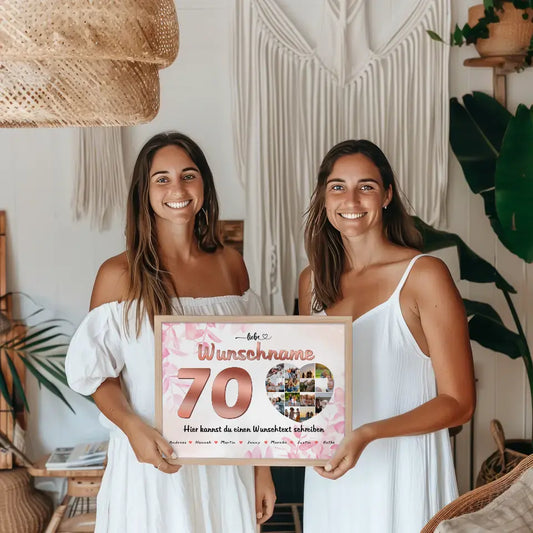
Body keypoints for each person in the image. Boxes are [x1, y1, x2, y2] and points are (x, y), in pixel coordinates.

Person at [65, 132, 276, 533]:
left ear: (204, 184)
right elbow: (98, 375)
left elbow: (254, 370)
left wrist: (262, 469)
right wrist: (132, 428)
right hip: (153, 462)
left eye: (188, 175)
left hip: (226, 462)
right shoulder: (118, 274)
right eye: (161, 179)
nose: (177, 189)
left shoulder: (231, 264)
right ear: (143, 193)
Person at [299, 140, 475, 532]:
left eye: (366, 186)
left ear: (387, 195)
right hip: (332, 476)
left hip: (403, 475)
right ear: (324, 197)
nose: (351, 199)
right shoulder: (311, 282)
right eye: (338, 187)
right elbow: (308, 391)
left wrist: (368, 434)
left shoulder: (424, 275)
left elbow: (459, 403)